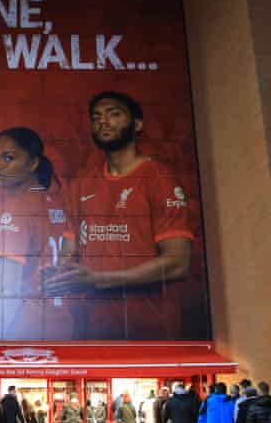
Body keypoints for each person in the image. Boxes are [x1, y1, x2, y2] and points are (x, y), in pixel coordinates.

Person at [44, 91, 194, 340]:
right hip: (90, 327)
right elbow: (69, 255)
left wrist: (100, 279)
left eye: (114, 114)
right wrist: (57, 275)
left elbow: (178, 263)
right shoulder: (82, 183)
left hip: (148, 327)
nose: (103, 121)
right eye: (97, 117)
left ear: (137, 124)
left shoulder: (159, 178)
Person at [0, 127, 75, 339]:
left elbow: (7, 292)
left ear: (33, 163)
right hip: (61, 325)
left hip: (21, 330)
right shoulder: (55, 205)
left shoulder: (15, 209)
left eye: (8, 158)